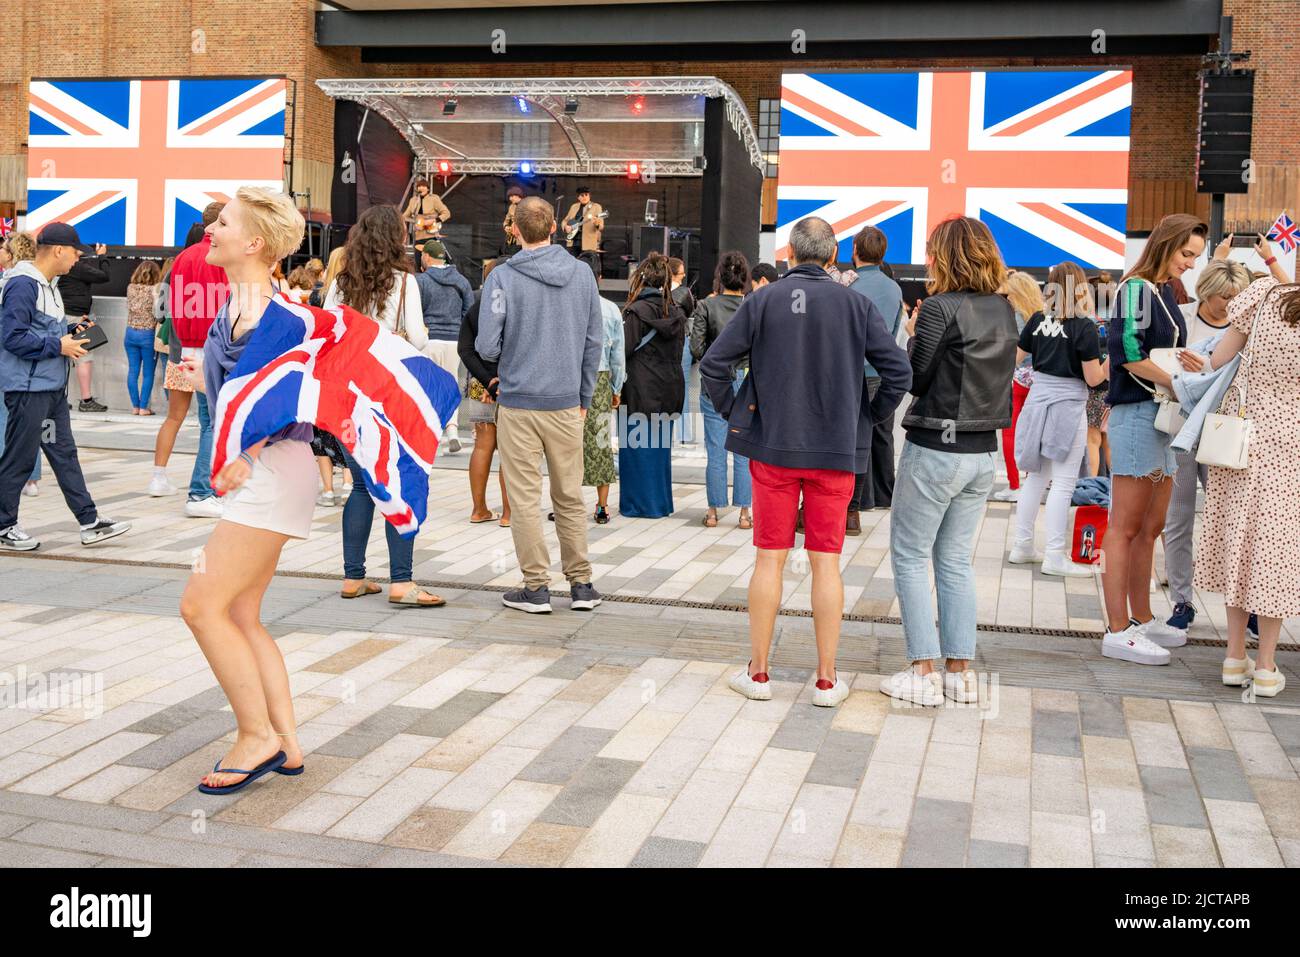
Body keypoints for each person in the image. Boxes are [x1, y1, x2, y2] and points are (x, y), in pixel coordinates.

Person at [701, 217, 910, 708]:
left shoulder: (762, 300)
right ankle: (825, 679)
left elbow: (714, 364)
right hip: (835, 451)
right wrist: (868, 417)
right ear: (833, 257)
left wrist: (736, 411)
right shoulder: (856, 304)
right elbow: (898, 371)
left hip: (773, 448)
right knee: (826, 564)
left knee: (768, 559)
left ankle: (759, 673)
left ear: (789, 255)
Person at [177, 187, 310, 793]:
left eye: (223, 223)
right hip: (263, 470)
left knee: (200, 606)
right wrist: (199, 379)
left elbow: (281, 399)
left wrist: (245, 453)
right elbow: (239, 387)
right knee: (240, 611)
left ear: (254, 242)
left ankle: (255, 736)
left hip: (272, 470)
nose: (211, 229)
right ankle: (285, 742)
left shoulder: (275, 314)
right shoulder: (241, 303)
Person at [882, 216, 1017, 707]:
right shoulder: (1004, 308)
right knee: (956, 561)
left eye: (932, 251)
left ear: (945, 255)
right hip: (983, 453)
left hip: (936, 449)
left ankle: (923, 668)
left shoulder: (940, 307)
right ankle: (961, 673)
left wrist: (912, 334)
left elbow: (914, 380)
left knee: (911, 556)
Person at [476, 195, 603, 614]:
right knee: (569, 494)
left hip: (518, 401)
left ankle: (536, 588)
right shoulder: (583, 275)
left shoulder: (501, 279)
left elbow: (487, 344)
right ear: (554, 228)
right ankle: (582, 584)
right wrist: (584, 396)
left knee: (525, 498)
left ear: (514, 230)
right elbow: (593, 342)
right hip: (567, 403)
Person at [1100, 213, 1207, 665]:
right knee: (1125, 527)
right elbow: (1126, 355)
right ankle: (1117, 627)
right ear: (1166, 244)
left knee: (1149, 527)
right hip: (1140, 414)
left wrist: (1181, 365)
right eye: (1186, 254)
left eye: (1195, 257)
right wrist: (1178, 382)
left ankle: (1139, 619)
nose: (1190, 264)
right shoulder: (1136, 288)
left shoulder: (1160, 290)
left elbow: (1146, 351)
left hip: (1160, 416)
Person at [323, 204, 439, 607]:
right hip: (388, 393)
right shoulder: (404, 283)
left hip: (348, 393)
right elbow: (419, 340)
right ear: (397, 240)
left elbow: (328, 333)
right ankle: (402, 583)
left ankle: (353, 577)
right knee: (397, 483)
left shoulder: (339, 283)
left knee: (359, 485)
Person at [1196, 276, 1300, 697]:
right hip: (1290, 449)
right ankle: (1266, 666)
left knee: (1238, 543)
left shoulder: (1262, 294)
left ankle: (1233, 657)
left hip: (1240, 442)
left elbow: (1219, 357)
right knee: (1275, 552)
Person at [0, 222, 131, 551]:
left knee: (64, 455)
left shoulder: (47, 285)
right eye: (75, 253)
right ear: (58, 250)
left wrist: (73, 330)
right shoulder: (23, 285)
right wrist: (58, 346)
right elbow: (12, 337)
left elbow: (39, 330)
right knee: (19, 457)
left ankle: (90, 521)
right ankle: (4, 526)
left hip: (49, 389)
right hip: (29, 390)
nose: (77, 259)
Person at [1163, 256, 1252, 635]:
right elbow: (1163, 365)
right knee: (1178, 518)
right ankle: (1182, 600)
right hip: (1184, 426)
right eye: (1224, 297)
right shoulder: (1180, 318)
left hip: (1227, 428)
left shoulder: (1248, 322)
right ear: (1208, 291)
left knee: (1234, 520)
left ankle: (1242, 606)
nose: (1230, 304)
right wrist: (1188, 368)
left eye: (1237, 296)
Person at [1009, 261, 1108, 577]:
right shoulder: (1085, 325)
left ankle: (1022, 546)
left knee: (1036, 478)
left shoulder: (1038, 319)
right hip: (1067, 406)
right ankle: (1053, 555)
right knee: (1063, 482)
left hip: (1037, 402)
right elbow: (1093, 379)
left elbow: (1014, 358)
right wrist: (1112, 362)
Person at [153, 201, 228, 518]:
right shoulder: (223, 257)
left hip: (184, 348)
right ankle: (201, 492)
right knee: (212, 421)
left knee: (187, 417)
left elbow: (163, 309)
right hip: (216, 346)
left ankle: (162, 477)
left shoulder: (182, 258)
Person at [618, 252, 687, 519]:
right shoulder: (676, 312)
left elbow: (623, 350)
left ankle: (638, 505)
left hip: (640, 387)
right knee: (659, 450)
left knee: (636, 449)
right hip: (669, 386)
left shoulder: (636, 312)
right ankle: (660, 503)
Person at [846, 225, 905, 523]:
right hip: (881, 372)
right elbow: (894, 331)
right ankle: (885, 494)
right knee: (882, 432)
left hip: (851, 373)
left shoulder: (848, 284)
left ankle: (859, 501)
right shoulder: (894, 288)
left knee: (856, 436)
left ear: (855, 250)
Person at [691, 250, 752, 529]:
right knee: (743, 450)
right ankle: (744, 514)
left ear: (720, 277)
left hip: (713, 383)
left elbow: (696, 348)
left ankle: (713, 512)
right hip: (745, 380)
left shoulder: (705, 305)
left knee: (715, 449)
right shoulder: (753, 305)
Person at [458, 258, 511, 527]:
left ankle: (478, 509)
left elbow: (465, 350)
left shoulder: (476, 308)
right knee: (510, 450)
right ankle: (508, 514)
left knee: (481, 446)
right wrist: (498, 380)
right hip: (510, 385)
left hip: (481, 384)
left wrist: (486, 379)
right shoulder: (514, 306)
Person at [990, 271, 1044, 502]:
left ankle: (1014, 485)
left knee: (1010, 433)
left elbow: (1012, 350)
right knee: (1035, 435)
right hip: (1040, 381)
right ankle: (1032, 484)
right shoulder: (1042, 315)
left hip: (1016, 380)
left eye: (1009, 294)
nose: (1007, 298)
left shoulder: (1014, 316)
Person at [414, 238, 472, 454]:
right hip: (454, 341)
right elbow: (468, 313)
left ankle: (431, 432)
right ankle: (453, 430)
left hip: (429, 340)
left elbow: (415, 312)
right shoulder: (462, 282)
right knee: (451, 386)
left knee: (427, 388)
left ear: (427, 257)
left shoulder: (421, 281)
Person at [0, 232, 43, 498]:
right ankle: (31, 478)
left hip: (11, 361)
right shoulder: (42, 282)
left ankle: (18, 477)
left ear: (11, 253)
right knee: (29, 423)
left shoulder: (12, 282)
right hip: (29, 364)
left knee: (9, 420)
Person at [581, 292, 626, 524]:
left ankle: (567, 506)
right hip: (600, 379)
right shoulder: (610, 309)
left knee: (566, 443)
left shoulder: (568, 302)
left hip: (569, 378)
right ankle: (601, 506)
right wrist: (616, 388)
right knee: (600, 441)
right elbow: (617, 355)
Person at [311, 247, 349, 504]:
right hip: (349, 365)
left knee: (321, 427)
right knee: (346, 423)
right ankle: (348, 482)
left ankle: (327, 489)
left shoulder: (317, 295)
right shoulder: (357, 289)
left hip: (323, 363)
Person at [58, 240, 110, 412]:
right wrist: (102, 256)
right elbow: (104, 276)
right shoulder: (77, 267)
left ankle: (60, 398)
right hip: (76, 317)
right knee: (84, 357)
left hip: (63, 315)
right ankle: (86, 400)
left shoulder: (59, 266)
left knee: (62, 357)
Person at [124, 260, 162, 415]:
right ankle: (143, 407)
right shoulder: (155, 290)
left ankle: (135, 406)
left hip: (130, 333)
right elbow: (158, 313)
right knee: (148, 373)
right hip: (147, 334)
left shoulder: (130, 288)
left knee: (133, 371)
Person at [669, 257, 697, 445]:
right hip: (682, 340)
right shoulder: (684, 292)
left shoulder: (659, 292)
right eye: (681, 272)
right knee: (684, 386)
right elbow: (691, 311)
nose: (684, 274)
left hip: (663, 343)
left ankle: (665, 433)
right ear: (674, 274)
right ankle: (684, 434)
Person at [562, 186, 604, 280]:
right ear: (578, 197)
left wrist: (596, 222)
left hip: (588, 243)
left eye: (586, 195)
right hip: (573, 242)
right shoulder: (574, 207)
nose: (584, 197)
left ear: (589, 196)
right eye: (582, 195)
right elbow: (565, 220)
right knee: (572, 267)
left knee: (588, 267)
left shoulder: (596, 207)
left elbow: (601, 226)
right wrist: (566, 227)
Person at [402, 178, 451, 253]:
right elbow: (405, 216)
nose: (420, 188)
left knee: (430, 258)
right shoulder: (413, 200)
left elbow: (446, 213)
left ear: (428, 189)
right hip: (418, 235)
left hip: (431, 234)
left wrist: (434, 220)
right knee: (418, 259)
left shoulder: (434, 199)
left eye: (423, 186)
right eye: (419, 186)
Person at [502, 186, 524, 254]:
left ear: (518, 195)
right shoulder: (511, 206)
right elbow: (506, 220)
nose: (510, 198)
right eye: (509, 197)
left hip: (523, 237)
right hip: (512, 238)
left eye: (512, 196)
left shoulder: (527, 205)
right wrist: (506, 226)